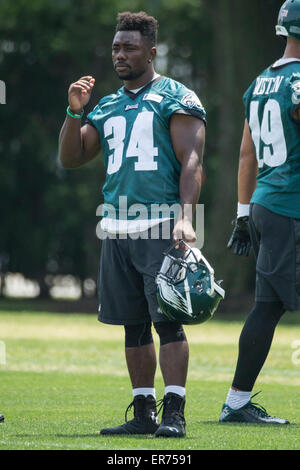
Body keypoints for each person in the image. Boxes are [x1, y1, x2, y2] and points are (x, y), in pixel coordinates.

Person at [58, 11, 206, 437]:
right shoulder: (106, 104)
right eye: (116, 48)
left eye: (129, 48)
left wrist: (185, 217)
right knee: (133, 325)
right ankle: (143, 413)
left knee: (168, 321)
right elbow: (72, 157)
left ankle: (174, 412)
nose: (120, 55)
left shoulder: (177, 95)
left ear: (152, 51)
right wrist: (73, 112)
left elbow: (192, 162)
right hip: (117, 227)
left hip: (160, 223)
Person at [220, 0, 300, 424]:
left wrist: (242, 212)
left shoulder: (260, 82)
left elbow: (247, 153)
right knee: (268, 307)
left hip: (266, 203)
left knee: (267, 306)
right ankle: (235, 404)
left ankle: (236, 402)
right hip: (292, 206)